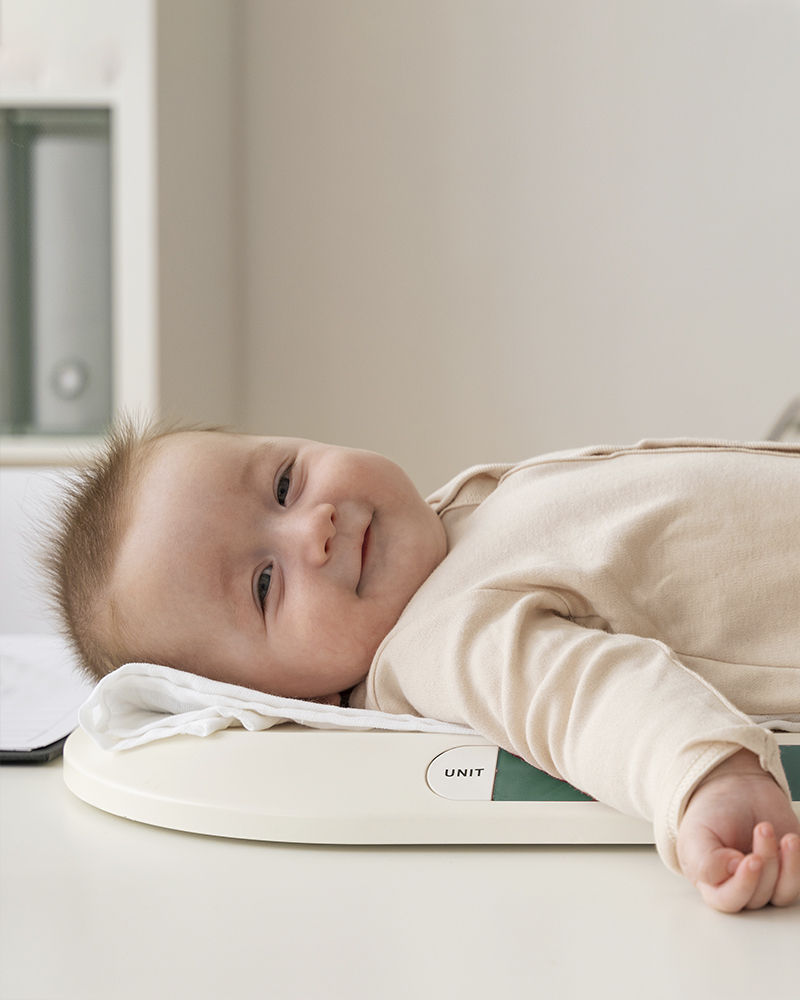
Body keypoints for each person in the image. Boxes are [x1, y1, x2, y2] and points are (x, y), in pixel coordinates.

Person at [47, 421, 800, 912]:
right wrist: (706, 776)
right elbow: (583, 699)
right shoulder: (441, 640)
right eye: (265, 585)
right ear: (295, 700)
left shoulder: (452, 524)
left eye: (284, 484)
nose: (314, 527)